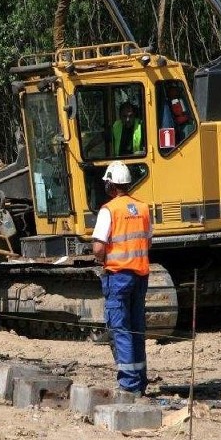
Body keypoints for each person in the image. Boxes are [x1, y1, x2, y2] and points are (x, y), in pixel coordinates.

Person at [92, 161, 152, 396]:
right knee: (137, 329)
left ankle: (128, 385)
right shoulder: (143, 208)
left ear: (110, 184)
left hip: (118, 276)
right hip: (140, 275)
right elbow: (147, 241)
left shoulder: (109, 210)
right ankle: (140, 382)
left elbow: (98, 247)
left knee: (121, 330)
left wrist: (102, 259)